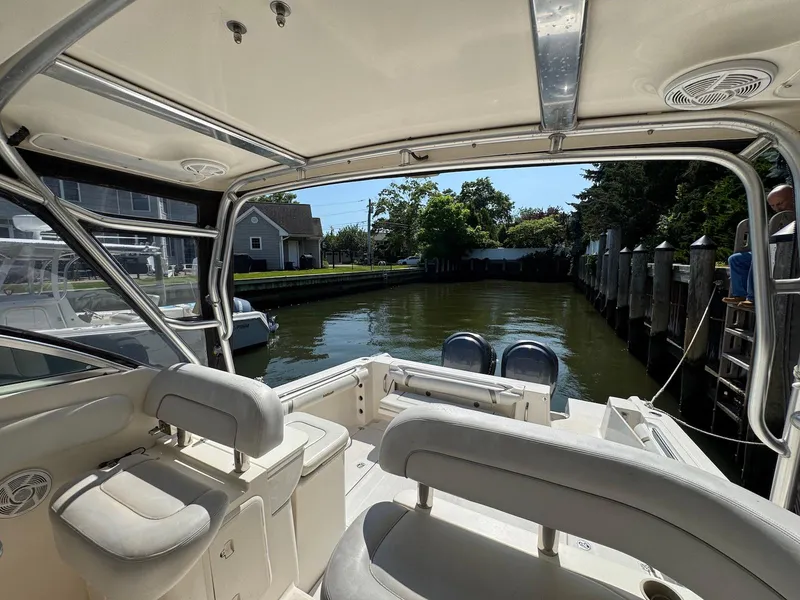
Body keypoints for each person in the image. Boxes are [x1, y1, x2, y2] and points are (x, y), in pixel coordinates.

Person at [723, 184, 795, 309]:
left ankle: (753, 298)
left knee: (759, 257)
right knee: (736, 259)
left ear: (793, 197)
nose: (777, 209)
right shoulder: (778, 219)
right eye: (773, 206)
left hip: (790, 255)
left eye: (780, 204)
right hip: (774, 252)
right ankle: (741, 294)